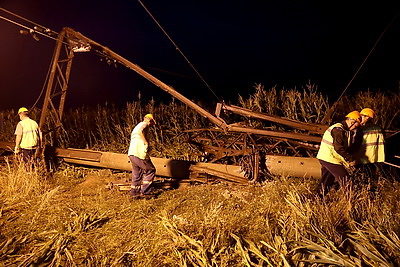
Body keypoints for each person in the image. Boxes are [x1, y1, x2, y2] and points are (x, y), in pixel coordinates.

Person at [316, 111, 362, 197]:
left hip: (325, 157)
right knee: (346, 181)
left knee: (327, 181)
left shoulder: (343, 129)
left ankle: (316, 199)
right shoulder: (338, 130)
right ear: (352, 122)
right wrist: (350, 159)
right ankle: (352, 201)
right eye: (355, 125)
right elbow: (339, 148)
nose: (355, 128)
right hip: (331, 159)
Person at [128, 113, 157, 199]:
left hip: (132, 153)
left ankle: (134, 194)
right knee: (151, 170)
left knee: (137, 174)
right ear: (149, 120)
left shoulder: (136, 126)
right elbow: (140, 132)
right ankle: (146, 192)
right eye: (151, 122)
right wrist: (146, 142)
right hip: (139, 153)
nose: (151, 124)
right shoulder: (143, 124)